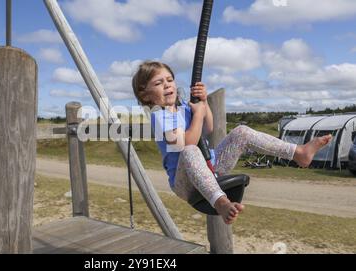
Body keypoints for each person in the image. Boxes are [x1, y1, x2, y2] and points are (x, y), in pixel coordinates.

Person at [132, 61, 332, 224]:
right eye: (159, 83)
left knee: (241, 132)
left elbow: (208, 128)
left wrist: (203, 104)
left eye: (170, 79)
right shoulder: (158, 117)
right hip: (185, 182)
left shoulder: (184, 106)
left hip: (211, 166)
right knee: (190, 151)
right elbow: (187, 144)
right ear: (145, 94)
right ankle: (221, 202)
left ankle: (298, 152)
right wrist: (199, 114)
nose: (168, 85)